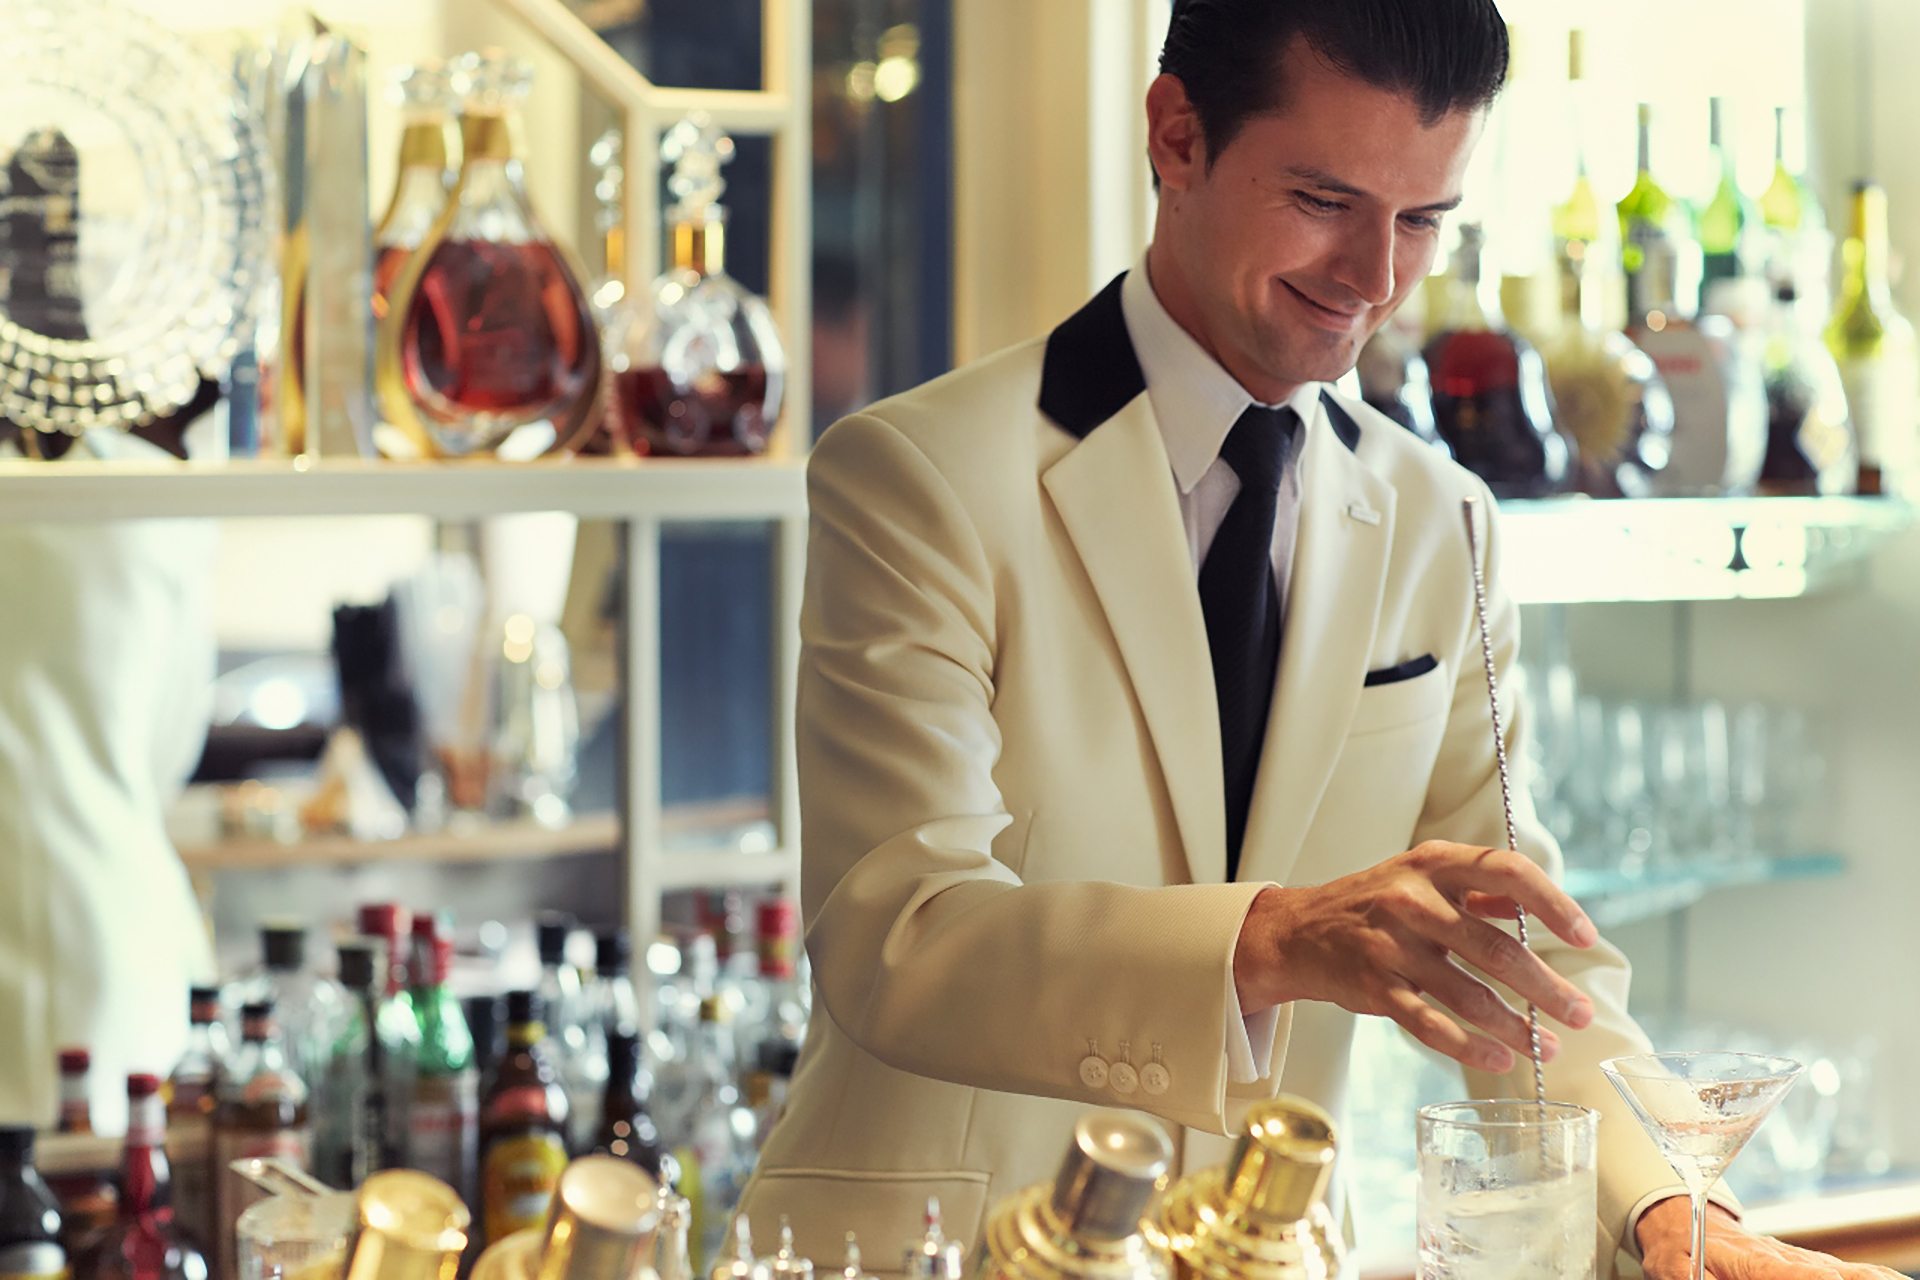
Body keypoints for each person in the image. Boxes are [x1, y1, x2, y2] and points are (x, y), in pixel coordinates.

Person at [739, 4, 1897, 1277]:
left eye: (1423, 220)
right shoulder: (917, 475)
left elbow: (1518, 958)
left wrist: (1674, 1212)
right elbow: (901, 934)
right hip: (939, 1253)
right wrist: (1270, 939)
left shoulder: (1440, 517)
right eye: (1324, 199)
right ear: (1175, 138)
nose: (1377, 277)